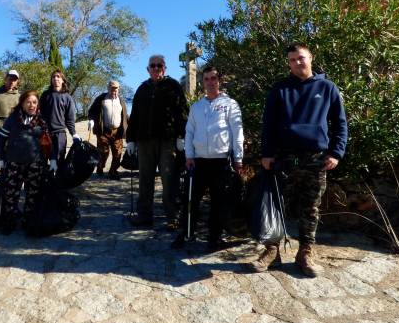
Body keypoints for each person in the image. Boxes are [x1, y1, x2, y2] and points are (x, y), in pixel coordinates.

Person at [249, 43, 348, 277]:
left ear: (311, 58)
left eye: (300, 58)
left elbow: (340, 124)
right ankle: (272, 251)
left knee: (310, 207)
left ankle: (305, 252)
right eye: (292, 60)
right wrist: (267, 153)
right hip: (284, 158)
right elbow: (269, 125)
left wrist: (336, 153)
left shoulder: (327, 88)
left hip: (316, 159)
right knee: (277, 205)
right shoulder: (280, 89)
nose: (297, 63)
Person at [171, 65, 243, 251]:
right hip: (198, 162)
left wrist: (238, 158)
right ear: (202, 82)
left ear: (219, 81)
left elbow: (237, 133)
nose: (210, 82)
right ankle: (186, 233)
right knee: (190, 199)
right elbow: (189, 132)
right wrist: (189, 155)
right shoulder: (197, 107)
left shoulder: (230, 105)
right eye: (207, 79)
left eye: (213, 78)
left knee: (218, 202)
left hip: (221, 161)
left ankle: (214, 238)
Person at [125, 54, 188, 229]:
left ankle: (172, 216)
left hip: (168, 141)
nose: (156, 68)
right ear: (147, 69)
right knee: (145, 179)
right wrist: (130, 139)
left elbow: (182, 113)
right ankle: (144, 215)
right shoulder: (142, 89)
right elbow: (135, 116)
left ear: (165, 68)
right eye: (152, 65)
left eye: (159, 65)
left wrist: (181, 137)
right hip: (145, 141)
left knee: (169, 179)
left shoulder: (173, 86)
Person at [0, 90, 51, 235]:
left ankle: (28, 221)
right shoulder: (13, 119)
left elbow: (49, 143)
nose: (31, 105)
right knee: (10, 194)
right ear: (22, 103)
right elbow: (1, 138)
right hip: (14, 163)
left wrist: (54, 159)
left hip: (35, 164)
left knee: (33, 195)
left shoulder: (42, 120)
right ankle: (9, 222)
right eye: (28, 102)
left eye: (34, 102)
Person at [87, 80, 129, 180]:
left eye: (116, 88)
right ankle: (100, 167)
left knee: (117, 154)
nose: (113, 90)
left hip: (117, 132)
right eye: (111, 88)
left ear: (118, 89)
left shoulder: (121, 101)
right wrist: (91, 120)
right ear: (108, 88)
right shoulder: (101, 98)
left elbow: (125, 116)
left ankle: (113, 172)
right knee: (103, 153)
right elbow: (91, 111)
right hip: (103, 131)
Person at [40, 69, 80, 172]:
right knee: (43, 159)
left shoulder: (68, 98)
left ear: (62, 80)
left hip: (60, 134)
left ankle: (59, 185)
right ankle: (43, 185)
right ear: (51, 80)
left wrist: (74, 133)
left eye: (58, 77)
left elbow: (70, 119)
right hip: (45, 133)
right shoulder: (45, 95)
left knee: (59, 160)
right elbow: (40, 114)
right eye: (53, 77)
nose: (56, 79)